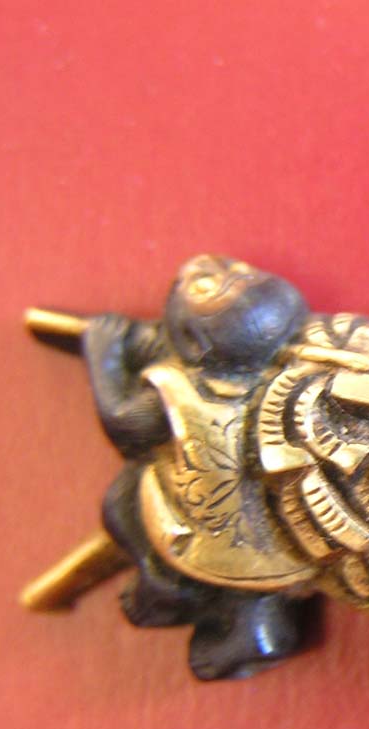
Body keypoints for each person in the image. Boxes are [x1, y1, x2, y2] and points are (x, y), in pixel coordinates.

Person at [84, 254, 313, 679]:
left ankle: (174, 592)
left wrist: (103, 354)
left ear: (193, 345)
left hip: (218, 527)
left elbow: (123, 426)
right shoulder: (296, 375)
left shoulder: (177, 391)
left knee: (128, 506)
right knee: (130, 503)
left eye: (204, 287)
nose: (200, 266)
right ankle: (235, 619)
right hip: (276, 522)